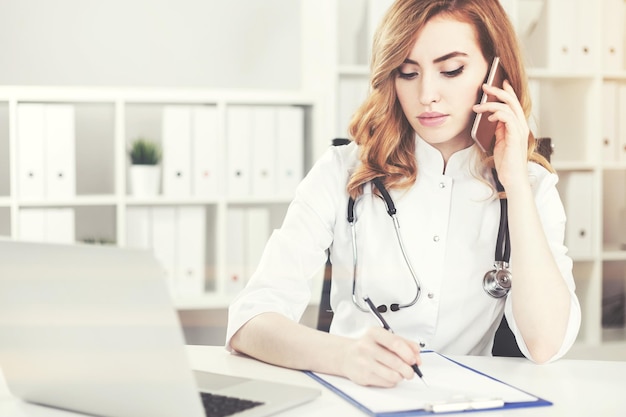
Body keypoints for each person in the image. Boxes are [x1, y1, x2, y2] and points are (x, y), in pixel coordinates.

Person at [226, 0, 581, 388]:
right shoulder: (340, 170)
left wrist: (515, 182)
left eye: (451, 70)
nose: (427, 94)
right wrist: (342, 355)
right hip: (352, 393)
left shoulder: (530, 186)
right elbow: (249, 320)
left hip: (464, 402)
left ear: (496, 75)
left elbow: (544, 344)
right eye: (407, 72)